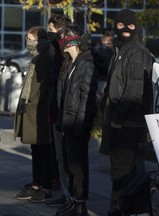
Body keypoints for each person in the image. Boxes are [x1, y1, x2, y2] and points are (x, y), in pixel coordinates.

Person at [100, 9, 153, 216]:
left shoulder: (136, 52)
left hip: (128, 123)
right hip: (120, 120)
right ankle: (123, 207)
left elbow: (134, 91)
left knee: (125, 170)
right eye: (120, 26)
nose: (125, 30)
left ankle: (123, 208)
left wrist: (118, 119)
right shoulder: (120, 50)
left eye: (130, 26)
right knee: (123, 169)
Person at [54, 25, 99, 216]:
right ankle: (73, 200)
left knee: (77, 166)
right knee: (68, 165)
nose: (60, 41)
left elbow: (86, 99)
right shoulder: (70, 64)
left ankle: (80, 205)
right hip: (67, 122)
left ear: (72, 40)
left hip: (77, 123)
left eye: (62, 37)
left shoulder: (86, 64)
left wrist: (80, 125)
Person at [14, 26, 54, 202]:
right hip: (31, 108)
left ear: (40, 40)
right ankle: (37, 184)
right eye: (26, 39)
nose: (27, 42)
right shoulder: (36, 57)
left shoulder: (44, 57)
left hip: (38, 110)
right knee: (35, 148)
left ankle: (44, 186)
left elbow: (44, 85)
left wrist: (35, 102)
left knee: (43, 149)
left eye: (30, 39)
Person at [45, 14, 72, 207]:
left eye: (51, 30)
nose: (49, 34)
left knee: (67, 156)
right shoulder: (54, 50)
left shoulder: (65, 52)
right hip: (55, 107)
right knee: (59, 156)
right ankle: (65, 192)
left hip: (65, 111)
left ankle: (72, 196)